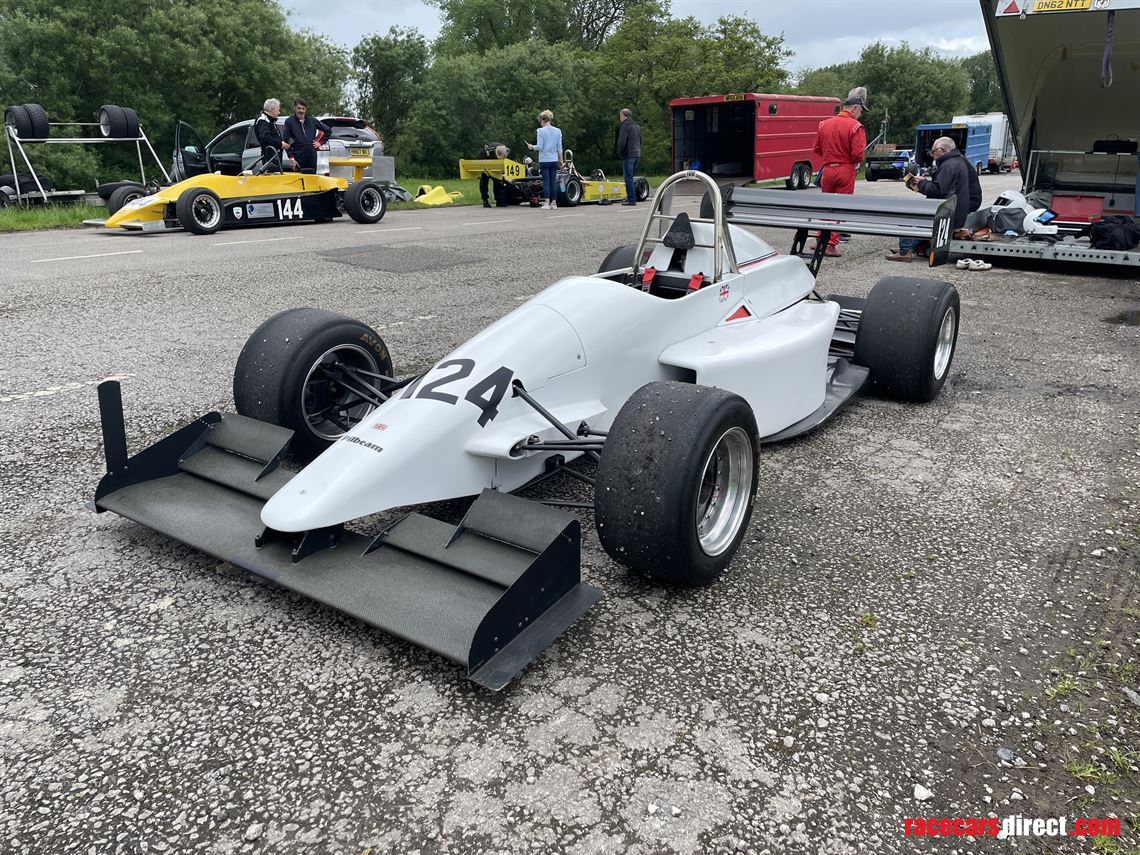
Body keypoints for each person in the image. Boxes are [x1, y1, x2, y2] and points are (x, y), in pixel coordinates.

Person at [889, 137, 981, 262]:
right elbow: (945, 188)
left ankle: (905, 251)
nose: (931, 155)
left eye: (933, 152)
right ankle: (908, 247)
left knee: (909, 215)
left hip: (949, 213)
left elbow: (937, 190)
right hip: (957, 210)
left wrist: (920, 184)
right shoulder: (957, 161)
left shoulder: (949, 165)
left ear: (942, 150)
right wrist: (924, 183)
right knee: (921, 215)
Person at [810, 88, 869, 257]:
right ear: (855, 108)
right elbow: (858, 154)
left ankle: (820, 239)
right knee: (840, 208)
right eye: (861, 112)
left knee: (827, 206)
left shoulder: (824, 124)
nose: (860, 115)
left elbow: (817, 149)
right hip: (845, 169)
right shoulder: (856, 126)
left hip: (827, 169)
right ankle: (831, 244)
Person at [282, 98, 332, 173]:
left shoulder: (312, 120)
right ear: (294, 108)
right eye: (299, 108)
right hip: (297, 154)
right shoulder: (289, 121)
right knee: (299, 180)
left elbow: (328, 130)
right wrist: (291, 157)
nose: (301, 111)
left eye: (303, 108)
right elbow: (287, 140)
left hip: (311, 154)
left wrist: (320, 142)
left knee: (312, 180)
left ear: (306, 109)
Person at [526, 110, 563, 209]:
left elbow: (540, 146)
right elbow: (560, 148)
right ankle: (554, 203)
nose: (540, 123)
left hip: (544, 160)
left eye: (540, 121)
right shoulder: (558, 131)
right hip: (554, 159)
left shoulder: (540, 131)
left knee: (546, 182)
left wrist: (531, 147)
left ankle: (547, 203)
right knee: (553, 182)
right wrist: (561, 160)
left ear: (543, 120)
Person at [254, 98, 291, 171]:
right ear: (273, 109)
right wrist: (280, 144)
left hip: (274, 156)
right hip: (270, 158)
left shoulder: (269, 120)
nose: (279, 112)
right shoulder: (263, 120)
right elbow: (265, 138)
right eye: (278, 109)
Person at [617, 108, 642, 206]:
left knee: (628, 178)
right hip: (637, 153)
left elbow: (622, 142)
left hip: (629, 154)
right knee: (631, 177)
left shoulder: (625, 126)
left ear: (622, 116)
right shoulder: (636, 126)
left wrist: (620, 153)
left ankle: (631, 199)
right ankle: (632, 197)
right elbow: (640, 140)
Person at [477, 143, 511, 208]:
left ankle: (499, 200)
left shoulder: (504, 150)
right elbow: (480, 158)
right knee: (484, 182)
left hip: (496, 166)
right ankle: (485, 200)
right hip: (485, 164)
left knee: (498, 181)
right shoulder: (486, 152)